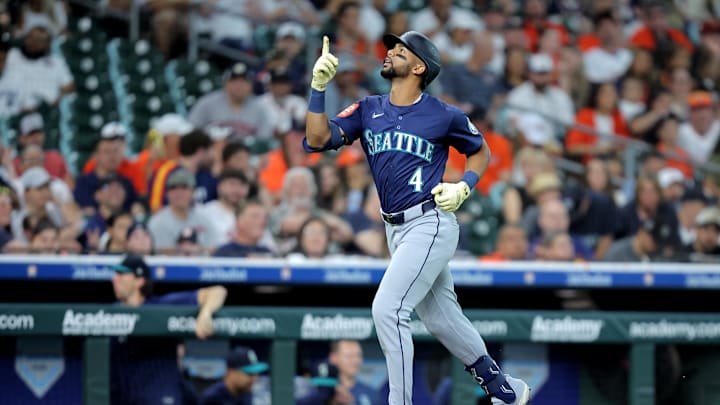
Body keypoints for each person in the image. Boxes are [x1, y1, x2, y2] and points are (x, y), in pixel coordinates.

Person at [304, 32, 530, 405]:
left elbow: (480, 151)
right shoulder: (368, 108)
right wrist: (318, 88)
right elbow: (316, 139)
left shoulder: (442, 114)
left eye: (401, 50)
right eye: (392, 47)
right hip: (396, 229)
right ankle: (504, 390)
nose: (391, 51)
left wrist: (465, 186)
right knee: (442, 319)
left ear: (419, 67)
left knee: (388, 309)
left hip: (430, 221)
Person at [110, 254, 228, 405]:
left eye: (121, 274)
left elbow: (218, 291)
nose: (115, 279)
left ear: (139, 281)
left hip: (158, 396)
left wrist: (205, 313)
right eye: (115, 275)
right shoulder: (109, 312)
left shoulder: (159, 306)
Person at [199, 345, 269, 405]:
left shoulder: (245, 393)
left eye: (256, 373)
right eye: (249, 373)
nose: (255, 378)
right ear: (231, 373)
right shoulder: (212, 398)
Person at [329, 339, 383, 404]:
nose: (355, 361)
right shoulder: (323, 393)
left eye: (358, 355)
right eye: (349, 356)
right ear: (334, 357)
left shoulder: (372, 394)